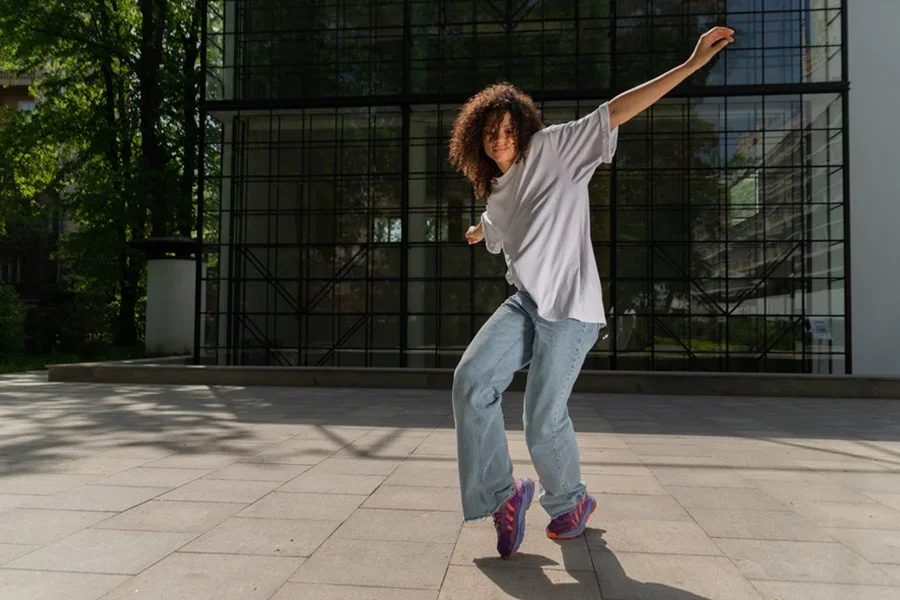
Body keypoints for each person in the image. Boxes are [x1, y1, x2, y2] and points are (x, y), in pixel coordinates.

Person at [448, 27, 735, 559]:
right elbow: (494, 225)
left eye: (509, 129)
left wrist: (691, 63)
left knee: (541, 418)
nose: (500, 139)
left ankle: (571, 502)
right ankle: (504, 496)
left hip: (572, 311)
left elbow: (619, 110)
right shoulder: (494, 189)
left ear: (524, 128)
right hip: (528, 304)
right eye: (490, 132)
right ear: (477, 140)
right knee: (471, 380)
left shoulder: (556, 147)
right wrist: (476, 231)